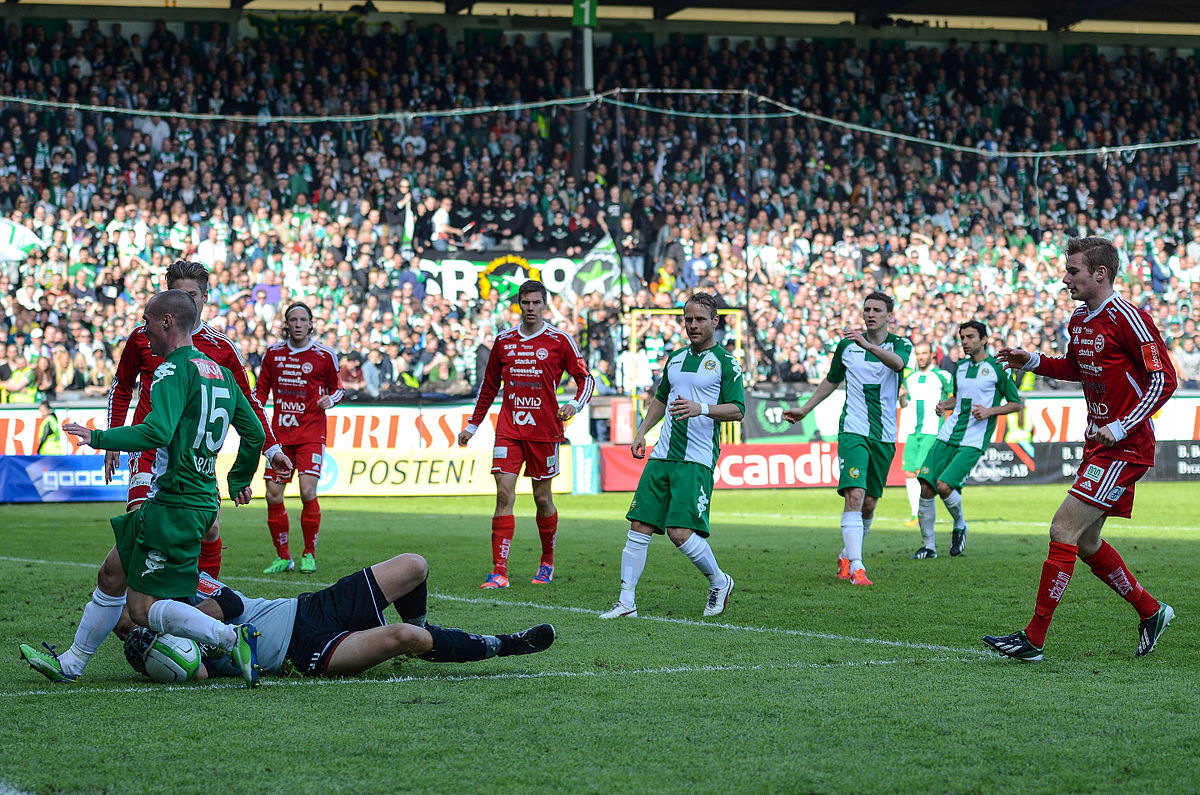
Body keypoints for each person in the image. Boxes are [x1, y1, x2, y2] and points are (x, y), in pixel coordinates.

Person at [20, 290, 268, 688]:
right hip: (199, 499)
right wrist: (238, 480)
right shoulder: (219, 372)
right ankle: (71, 663)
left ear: (167, 321)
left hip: (174, 502)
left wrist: (98, 438)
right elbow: (253, 433)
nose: (143, 329)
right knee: (112, 574)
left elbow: (158, 429)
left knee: (140, 609)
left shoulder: (172, 370)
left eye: (148, 320)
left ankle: (228, 638)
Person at [986, 236, 1178, 661]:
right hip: (1100, 442)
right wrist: (1033, 361)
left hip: (1126, 446)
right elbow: (1076, 366)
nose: (1065, 278)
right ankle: (1151, 611)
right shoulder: (1079, 318)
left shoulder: (1130, 318)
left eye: (1072, 271)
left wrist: (1122, 424)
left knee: (1063, 530)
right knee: (1087, 541)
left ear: (1100, 273)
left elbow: (1164, 379)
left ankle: (1033, 639)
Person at [106, 259, 291, 579]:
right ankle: (140, 603)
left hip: (196, 454)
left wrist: (271, 450)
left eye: (192, 296)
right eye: (177, 296)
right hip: (150, 447)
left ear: (205, 298)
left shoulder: (221, 348)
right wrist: (112, 438)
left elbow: (246, 402)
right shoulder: (143, 337)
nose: (184, 304)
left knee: (210, 527)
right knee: (143, 519)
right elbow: (122, 387)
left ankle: (202, 604)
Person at [122, 553, 555, 681]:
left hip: (309, 608)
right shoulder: (145, 643)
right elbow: (194, 676)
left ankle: (431, 635)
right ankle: (505, 644)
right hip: (305, 652)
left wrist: (180, 621)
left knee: (415, 565)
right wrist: (153, 649)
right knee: (406, 638)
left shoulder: (183, 586)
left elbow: (232, 605)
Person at [599, 292, 744, 619]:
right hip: (662, 455)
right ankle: (626, 602)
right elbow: (661, 399)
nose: (693, 325)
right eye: (688, 319)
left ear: (715, 322)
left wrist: (701, 408)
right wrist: (641, 431)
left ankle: (719, 581)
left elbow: (737, 410)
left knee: (680, 533)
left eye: (700, 319)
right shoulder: (675, 358)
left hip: (696, 460)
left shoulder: (726, 363)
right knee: (639, 525)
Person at [458, 280, 594, 589]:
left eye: (536, 303)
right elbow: (489, 386)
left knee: (542, 498)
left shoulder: (560, 340)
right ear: (520, 305)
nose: (531, 308)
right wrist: (472, 425)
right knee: (504, 494)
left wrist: (573, 404)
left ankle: (546, 561)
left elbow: (586, 379)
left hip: (544, 431)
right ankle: (499, 571)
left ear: (545, 305)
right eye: (526, 303)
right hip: (509, 430)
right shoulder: (504, 342)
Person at [782, 292, 911, 586]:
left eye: (877, 310)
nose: (870, 314)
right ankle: (857, 567)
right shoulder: (846, 346)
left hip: (884, 434)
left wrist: (866, 345)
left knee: (869, 503)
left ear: (889, 317)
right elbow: (831, 379)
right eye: (867, 309)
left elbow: (898, 364)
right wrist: (805, 408)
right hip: (853, 430)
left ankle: (846, 554)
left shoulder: (900, 344)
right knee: (854, 495)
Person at [913, 321, 1023, 559]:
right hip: (948, 433)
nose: (965, 341)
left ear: (984, 339)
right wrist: (945, 404)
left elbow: (1016, 404)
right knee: (926, 487)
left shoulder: (998, 367)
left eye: (970, 337)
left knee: (943, 486)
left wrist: (989, 411)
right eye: (962, 337)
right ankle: (929, 547)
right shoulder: (960, 366)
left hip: (973, 439)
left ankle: (960, 524)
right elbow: (959, 398)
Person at [254, 302, 343, 574]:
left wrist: (331, 399)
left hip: (311, 434)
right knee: (272, 495)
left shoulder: (324, 355)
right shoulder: (273, 354)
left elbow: (338, 389)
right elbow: (260, 394)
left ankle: (309, 553)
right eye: (293, 319)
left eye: (303, 319)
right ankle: (283, 556)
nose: (298, 324)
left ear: (310, 323)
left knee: (307, 492)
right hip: (280, 436)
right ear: (286, 324)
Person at [899, 343, 952, 528]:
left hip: (932, 430)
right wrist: (901, 397)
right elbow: (905, 405)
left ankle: (924, 513)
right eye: (918, 354)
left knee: (923, 474)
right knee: (909, 472)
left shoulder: (943, 376)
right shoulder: (910, 378)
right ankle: (915, 514)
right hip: (913, 431)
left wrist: (944, 408)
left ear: (932, 355)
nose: (921, 357)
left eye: (924, 353)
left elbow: (954, 399)